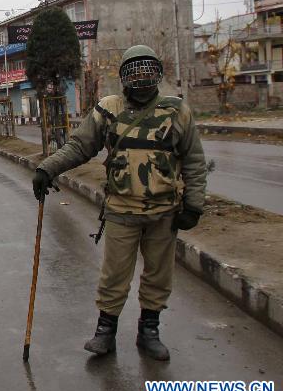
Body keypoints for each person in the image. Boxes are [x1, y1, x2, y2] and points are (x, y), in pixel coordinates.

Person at [32, 45, 207, 361]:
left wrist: (193, 205)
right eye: (134, 72)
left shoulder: (177, 111)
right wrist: (48, 168)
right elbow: (79, 146)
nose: (141, 79)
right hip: (121, 211)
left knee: (158, 274)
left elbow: (194, 160)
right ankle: (105, 332)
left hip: (164, 212)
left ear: (157, 74)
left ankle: (149, 331)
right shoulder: (108, 109)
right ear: (124, 76)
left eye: (147, 71)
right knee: (114, 275)